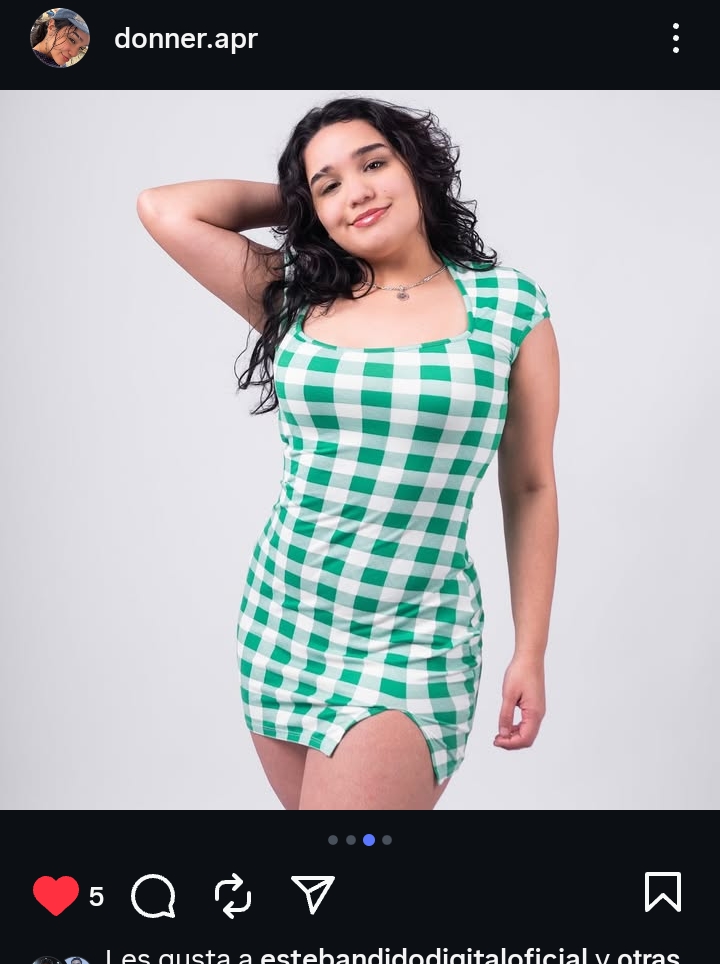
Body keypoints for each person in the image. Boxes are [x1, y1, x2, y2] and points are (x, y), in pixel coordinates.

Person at [137, 96, 560, 811]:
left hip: (413, 636)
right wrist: (309, 203)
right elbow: (165, 209)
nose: (357, 191)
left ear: (417, 168)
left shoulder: (508, 307)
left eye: (374, 165)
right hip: (283, 618)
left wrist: (531, 650)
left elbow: (530, 488)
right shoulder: (298, 297)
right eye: (329, 183)